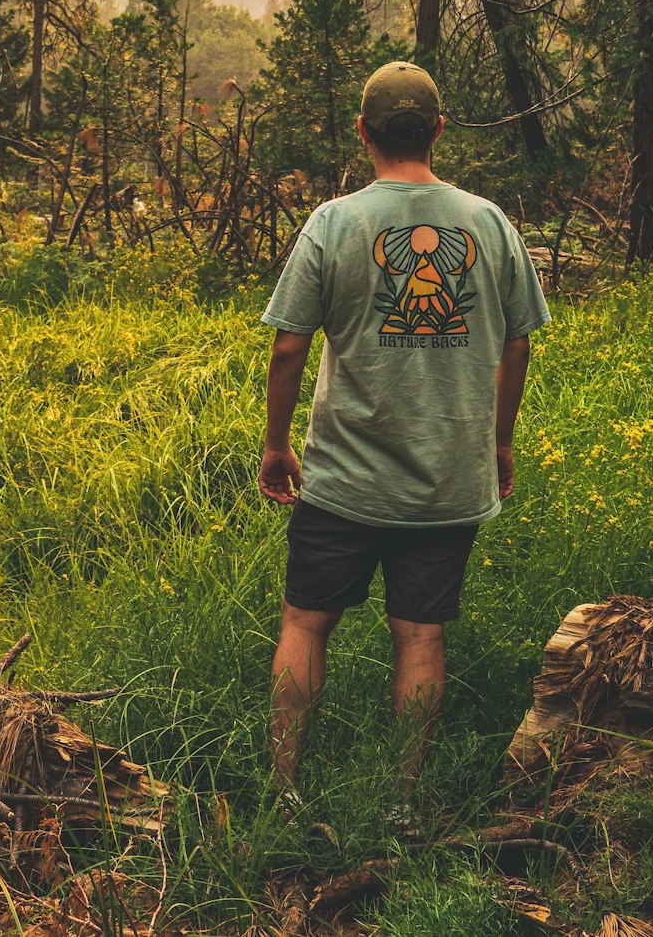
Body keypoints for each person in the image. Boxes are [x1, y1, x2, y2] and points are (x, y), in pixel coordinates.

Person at [258, 60, 549, 814]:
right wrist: (500, 441)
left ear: (364, 132)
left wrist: (275, 444)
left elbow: (288, 345)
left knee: (305, 622)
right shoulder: (489, 223)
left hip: (343, 478)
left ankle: (285, 788)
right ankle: (402, 799)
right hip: (448, 479)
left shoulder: (335, 221)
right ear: (439, 130)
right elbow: (519, 343)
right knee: (420, 636)